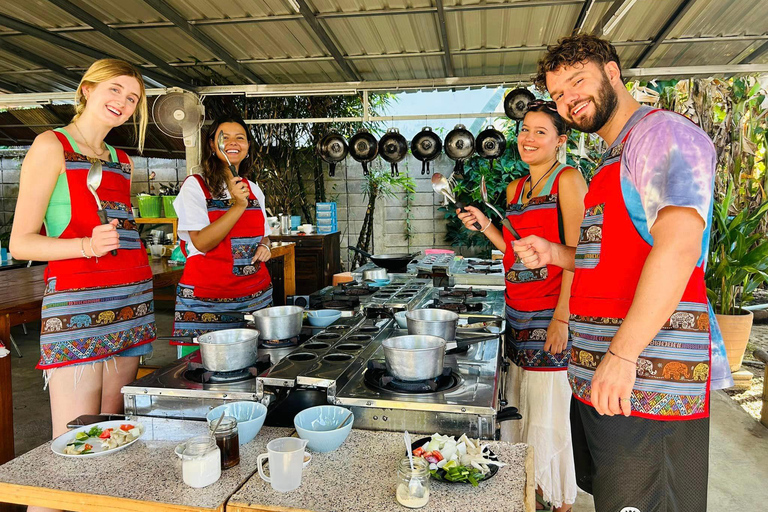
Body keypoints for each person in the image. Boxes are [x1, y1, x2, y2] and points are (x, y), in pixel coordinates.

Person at [514, 34, 717, 511]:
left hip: (646, 382)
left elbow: (680, 244)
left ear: (611, 72)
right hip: (607, 382)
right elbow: (606, 261)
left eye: (577, 81)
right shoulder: (612, 157)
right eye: (558, 93)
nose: (569, 99)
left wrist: (623, 357)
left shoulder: (660, 134)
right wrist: (554, 253)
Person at [9, 58, 155, 493]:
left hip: (130, 304)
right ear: (88, 89)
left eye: (132, 98)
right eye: (115, 90)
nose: (123, 102)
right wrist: (86, 247)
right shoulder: (50, 146)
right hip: (79, 305)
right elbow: (21, 243)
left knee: (111, 435)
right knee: (74, 446)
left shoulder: (120, 159)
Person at [457, 102, 587, 511]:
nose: (528, 139)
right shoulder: (515, 189)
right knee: (521, 415)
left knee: (549, 422)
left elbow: (582, 253)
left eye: (540, 132)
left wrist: (562, 319)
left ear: (561, 140)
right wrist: (486, 226)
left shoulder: (567, 180)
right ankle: (528, 497)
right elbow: (513, 251)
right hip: (517, 312)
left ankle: (560, 502)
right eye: (524, 130)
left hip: (551, 313)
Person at [171, 115, 273, 344]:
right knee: (201, 372)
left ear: (247, 146)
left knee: (258, 368)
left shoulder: (254, 188)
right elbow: (201, 242)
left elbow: (264, 235)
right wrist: (238, 205)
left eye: (240, 138)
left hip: (255, 299)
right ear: (211, 145)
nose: (233, 143)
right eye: (224, 138)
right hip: (207, 303)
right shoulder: (195, 186)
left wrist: (266, 246)